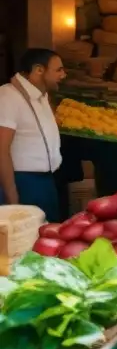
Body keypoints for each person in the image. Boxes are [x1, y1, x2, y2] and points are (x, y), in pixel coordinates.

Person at [0, 49, 67, 221]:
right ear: (39, 70)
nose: (64, 74)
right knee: (26, 241)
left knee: (47, 238)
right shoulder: (8, 97)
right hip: (24, 182)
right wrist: (12, 198)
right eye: (58, 70)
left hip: (46, 181)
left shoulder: (41, 95)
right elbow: (2, 149)